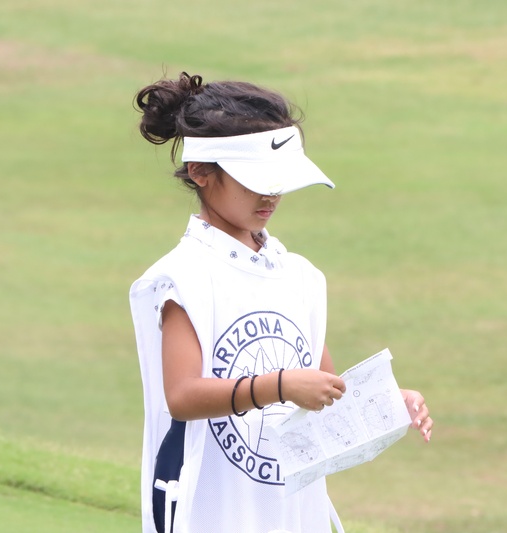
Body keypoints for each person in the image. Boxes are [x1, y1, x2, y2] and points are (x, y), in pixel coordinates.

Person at [129, 72, 433, 533]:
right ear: (200, 171)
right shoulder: (184, 276)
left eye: (280, 180)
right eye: (255, 179)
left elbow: (322, 395)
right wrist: (280, 385)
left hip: (290, 514)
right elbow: (183, 396)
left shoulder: (299, 276)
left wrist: (386, 405)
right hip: (210, 512)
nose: (271, 194)